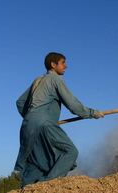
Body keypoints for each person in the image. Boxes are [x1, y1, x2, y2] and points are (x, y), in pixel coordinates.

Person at [14, 52, 104, 187]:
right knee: (70, 152)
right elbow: (73, 105)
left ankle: (28, 189)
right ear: (53, 65)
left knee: (37, 163)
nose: (66, 66)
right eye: (63, 63)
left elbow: (20, 103)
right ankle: (46, 187)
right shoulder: (56, 80)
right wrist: (93, 113)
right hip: (44, 124)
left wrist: (32, 117)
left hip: (27, 126)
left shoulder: (38, 80)